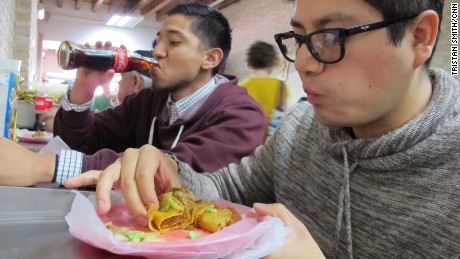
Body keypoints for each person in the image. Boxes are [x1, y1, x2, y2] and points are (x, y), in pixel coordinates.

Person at [64, 0, 460, 258]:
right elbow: (228, 190)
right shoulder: (301, 127)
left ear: (419, 37)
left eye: (330, 37)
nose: (304, 62)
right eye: (300, 39)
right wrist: (173, 175)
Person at [0, 4, 265, 187]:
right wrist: (84, 87)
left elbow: (174, 173)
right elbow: (80, 143)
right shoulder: (147, 102)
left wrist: (44, 166)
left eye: (173, 42)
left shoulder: (241, 115)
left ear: (210, 58)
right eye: (156, 42)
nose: (158, 51)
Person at [239, 41, 289, 140]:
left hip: (250, 143)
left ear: (249, 63)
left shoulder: (240, 88)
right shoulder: (280, 86)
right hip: (272, 143)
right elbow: (285, 116)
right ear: (272, 62)